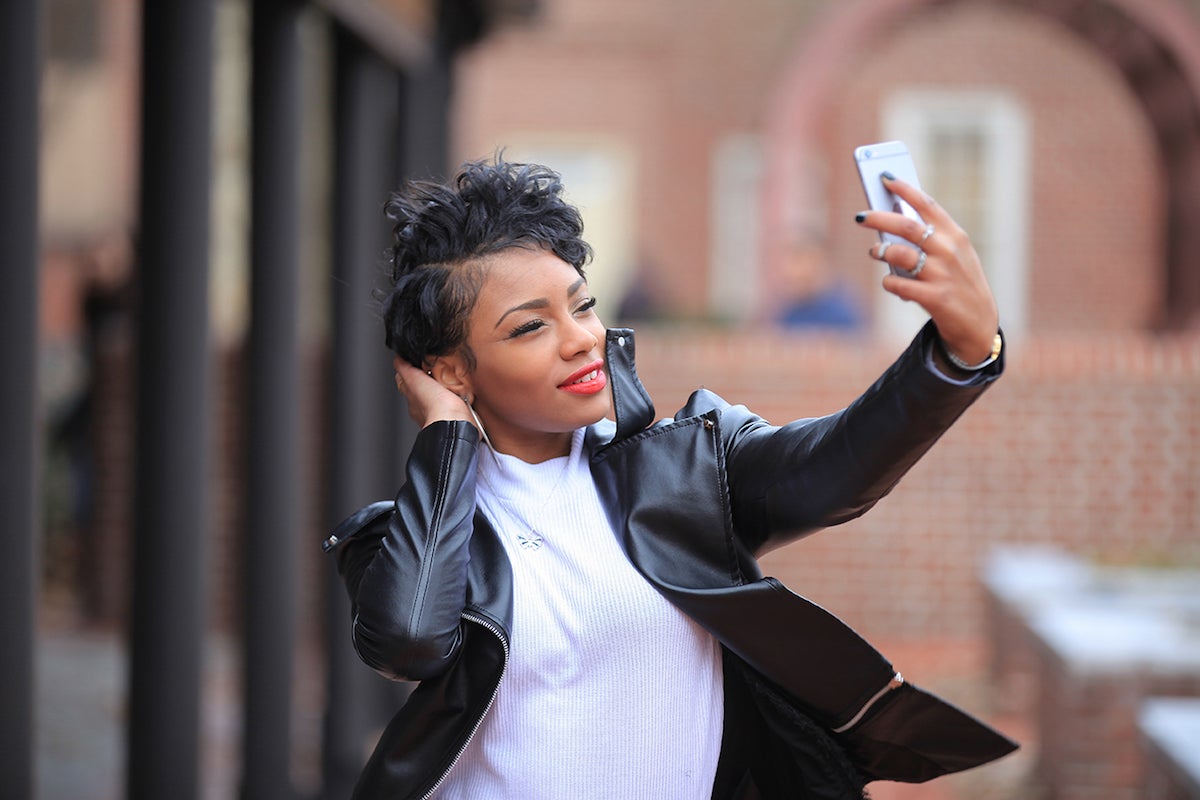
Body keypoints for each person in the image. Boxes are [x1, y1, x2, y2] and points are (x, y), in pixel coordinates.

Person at [323, 157, 1017, 799]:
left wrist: (958, 354)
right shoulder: (408, 540)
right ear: (450, 371)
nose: (582, 338)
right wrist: (447, 432)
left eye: (583, 305)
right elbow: (410, 639)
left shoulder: (687, 466)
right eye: (530, 328)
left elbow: (833, 471)